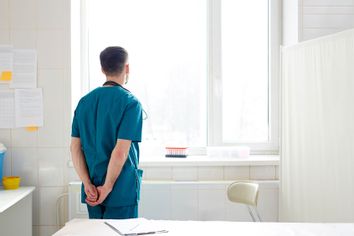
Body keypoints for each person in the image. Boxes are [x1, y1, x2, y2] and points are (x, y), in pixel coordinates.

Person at [70, 46, 143, 219]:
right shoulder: (130, 103)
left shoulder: (84, 102)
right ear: (127, 68)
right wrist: (108, 187)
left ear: (102, 69)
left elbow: (74, 148)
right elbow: (120, 152)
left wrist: (87, 183)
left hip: (92, 190)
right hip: (120, 190)